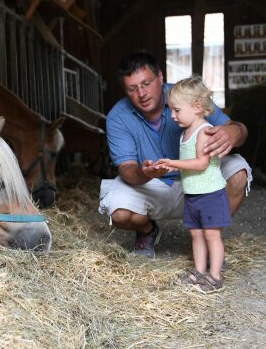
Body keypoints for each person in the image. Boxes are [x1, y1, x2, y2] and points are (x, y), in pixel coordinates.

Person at [98, 52, 251, 258]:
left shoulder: (186, 96)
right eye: (132, 88)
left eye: (146, 83)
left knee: (238, 172)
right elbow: (126, 169)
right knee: (119, 212)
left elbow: (237, 128)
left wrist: (234, 132)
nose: (141, 93)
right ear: (125, 90)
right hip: (153, 186)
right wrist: (146, 173)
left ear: (160, 77)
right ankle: (147, 231)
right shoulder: (118, 117)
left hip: (200, 179)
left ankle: (209, 238)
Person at [154, 77, 229, 291]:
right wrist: (172, 166)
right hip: (193, 194)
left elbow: (201, 163)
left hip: (210, 194)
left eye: (176, 110)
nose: (172, 115)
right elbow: (191, 163)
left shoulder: (204, 131)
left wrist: (173, 163)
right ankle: (199, 271)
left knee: (212, 234)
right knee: (196, 233)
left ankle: (215, 277)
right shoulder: (186, 132)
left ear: (197, 107)